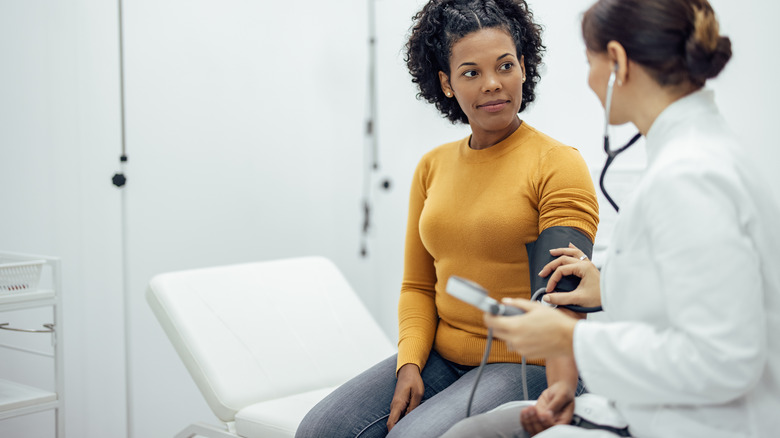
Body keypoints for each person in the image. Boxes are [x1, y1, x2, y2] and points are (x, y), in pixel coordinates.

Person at [440, 0, 780, 437]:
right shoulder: (700, 154)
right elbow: (702, 292)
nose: (590, 81)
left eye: (590, 62)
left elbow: (724, 358)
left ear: (617, 61)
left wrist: (570, 340)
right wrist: (612, 284)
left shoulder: (689, 177)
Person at [294, 1, 599, 437]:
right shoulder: (432, 167)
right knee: (322, 428)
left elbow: (562, 302)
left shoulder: (556, 164)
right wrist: (410, 363)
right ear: (447, 83)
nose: (493, 84)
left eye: (505, 65)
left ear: (524, 67)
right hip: (442, 355)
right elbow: (417, 285)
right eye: (472, 72)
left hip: (525, 362)